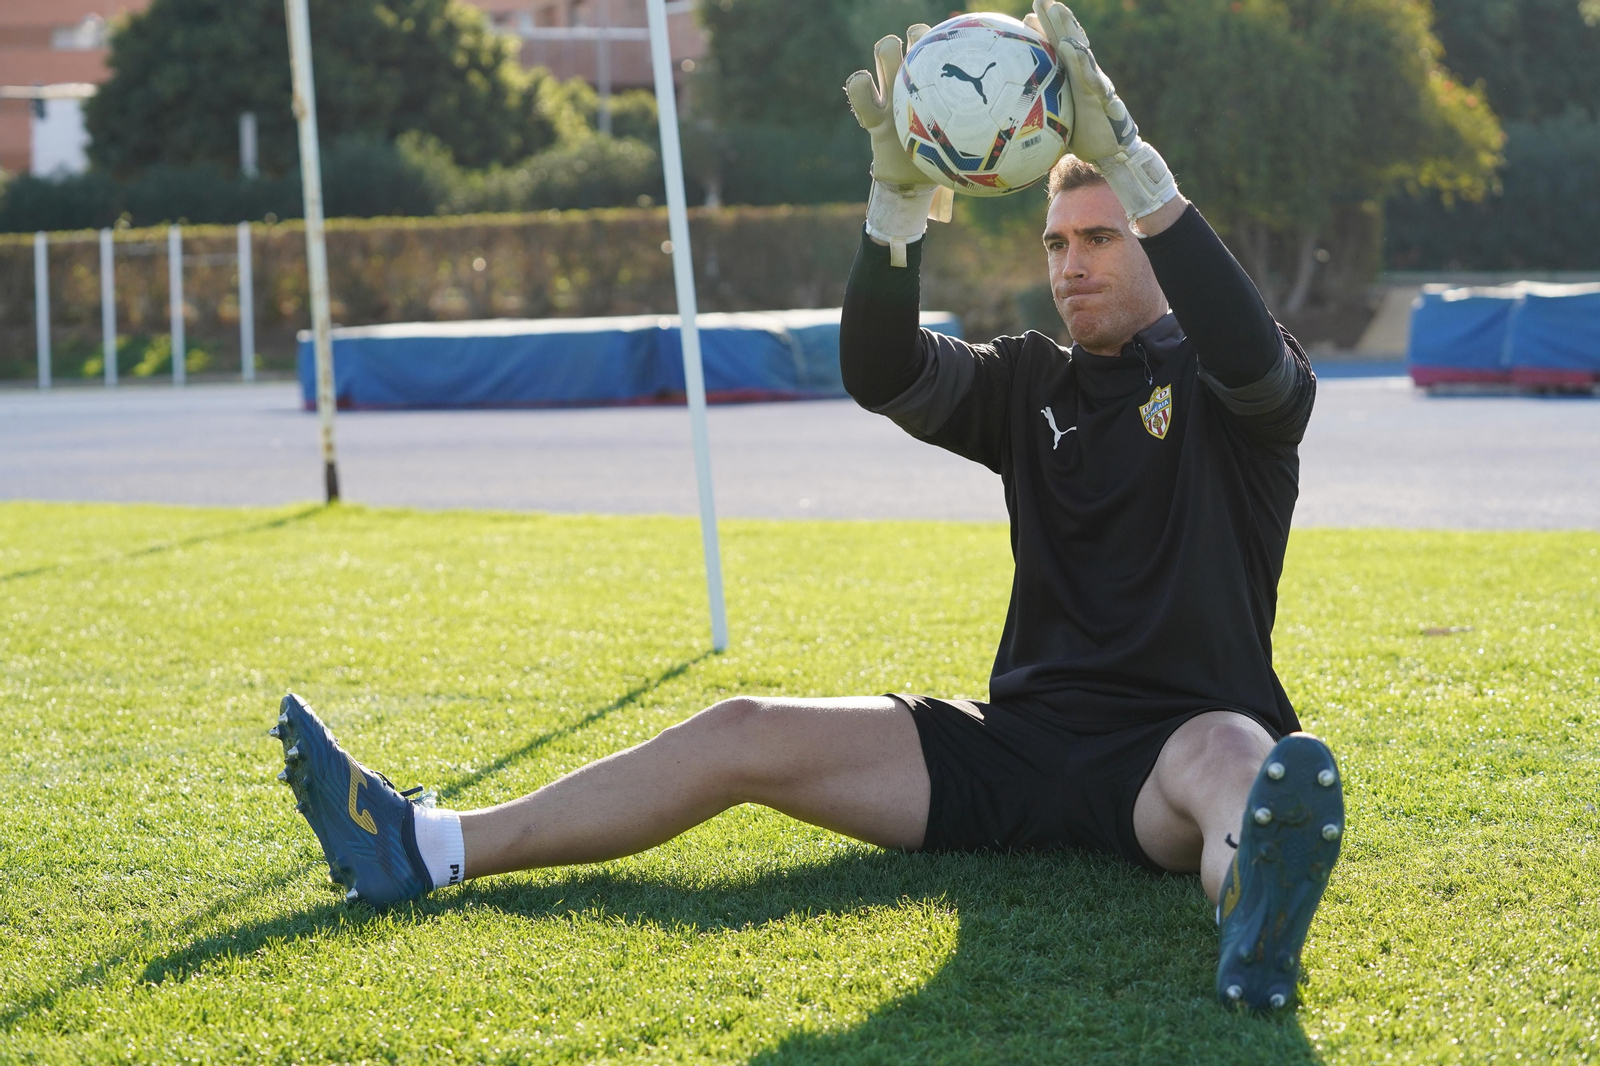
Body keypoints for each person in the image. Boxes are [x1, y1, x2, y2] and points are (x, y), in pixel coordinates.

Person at [269, 1, 1343, 1013]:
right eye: (1056, 243)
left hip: (1170, 751)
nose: (1070, 264)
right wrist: (893, 207)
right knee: (741, 728)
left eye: (1100, 238)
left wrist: (1135, 166)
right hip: (1014, 748)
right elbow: (881, 370)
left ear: (1153, 241)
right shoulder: (1030, 382)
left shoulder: (1231, 383)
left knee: (1239, 762)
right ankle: (427, 845)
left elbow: (1250, 354)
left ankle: (1252, 924)